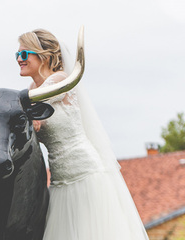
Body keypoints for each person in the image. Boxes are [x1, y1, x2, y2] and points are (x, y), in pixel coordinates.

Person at [16, 29, 149, 240]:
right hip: (59, 180)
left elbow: (34, 109)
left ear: (44, 55)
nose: (18, 59)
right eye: (17, 55)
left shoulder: (60, 79)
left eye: (23, 54)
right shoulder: (32, 88)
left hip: (84, 174)